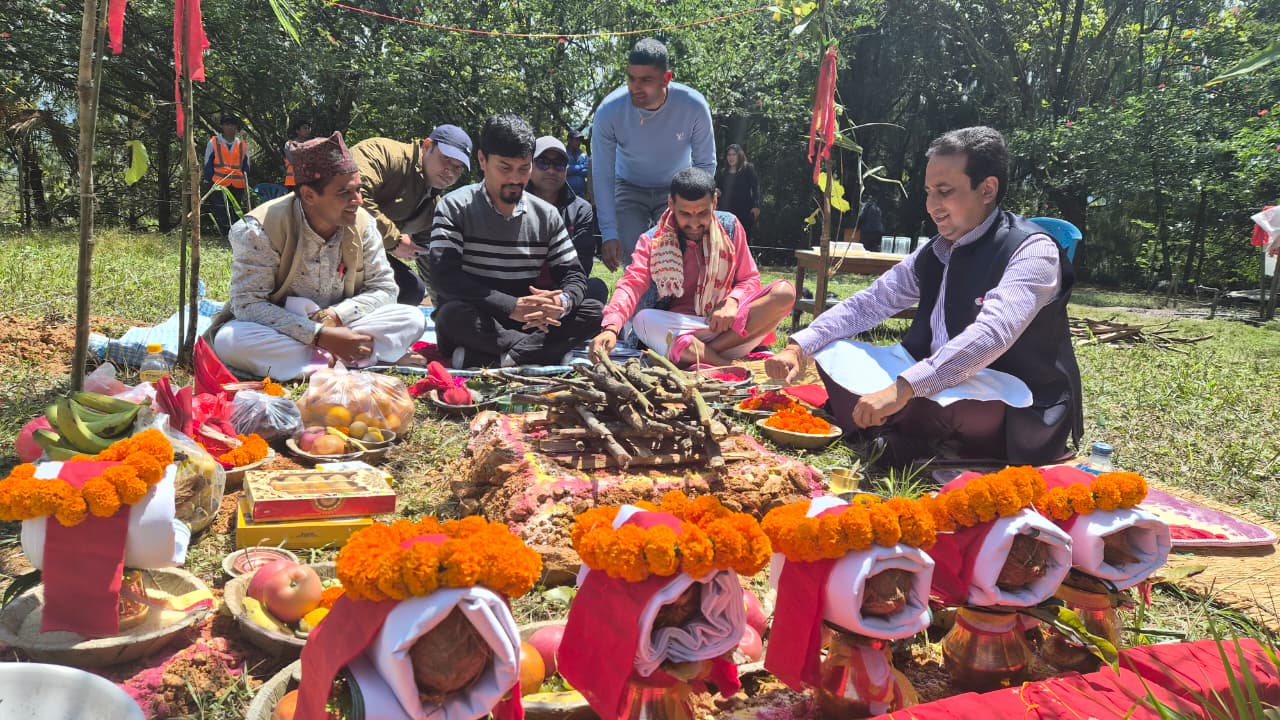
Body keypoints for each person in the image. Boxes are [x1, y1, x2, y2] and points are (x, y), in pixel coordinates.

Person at [766, 126, 1082, 467]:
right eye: (929, 192)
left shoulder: (1031, 250)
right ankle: (911, 436)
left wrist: (901, 390)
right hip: (931, 377)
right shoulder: (937, 250)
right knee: (832, 352)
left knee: (960, 408)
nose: (933, 206)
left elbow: (992, 335)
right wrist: (798, 347)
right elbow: (870, 303)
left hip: (1005, 392)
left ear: (987, 189)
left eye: (945, 192)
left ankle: (901, 433)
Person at [206, 131, 426, 380]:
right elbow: (247, 304)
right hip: (283, 328)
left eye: (358, 190)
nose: (358, 201)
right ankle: (354, 357)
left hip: (345, 323)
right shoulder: (260, 229)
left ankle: (319, 361)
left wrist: (335, 317)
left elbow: (385, 289)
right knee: (230, 340)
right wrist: (318, 334)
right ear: (309, 196)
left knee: (412, 318)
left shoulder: (363, 224)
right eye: (345, 193)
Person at [428, 114, 603, 368]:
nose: (515, 179)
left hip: (531, 319)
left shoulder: (546, 214)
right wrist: (511, 306)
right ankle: (542, 352)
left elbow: (574, 275)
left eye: (523, 169)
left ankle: (499, 357)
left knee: (594, 311)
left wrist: (561, 303)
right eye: (504, 168)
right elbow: (443, 277)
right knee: (451, 316)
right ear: (482, 160)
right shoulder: (454, 207)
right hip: (479, 315)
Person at [589, 167, 794, 367]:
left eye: (703, 213)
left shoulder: (730, 226)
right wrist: (611, 327)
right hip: (679, 329)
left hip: (726, 327)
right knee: (644, 320)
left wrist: (731, 301)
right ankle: (723, 363)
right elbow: (632, 284)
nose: (694, 223)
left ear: (714, 201)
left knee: (784, 293)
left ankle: (701, 357)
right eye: (685, 214)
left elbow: (749, 278)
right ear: (671, 204)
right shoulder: (652, 240)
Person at [591, 38, 716, 270]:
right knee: (634, 257)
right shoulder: (609, 111)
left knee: (674, 256)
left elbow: (705, 165)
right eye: (631, 78)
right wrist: (608, 232)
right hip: (628, 187)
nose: (635, 87)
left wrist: (695, 209)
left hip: (676, 189)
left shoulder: (694, 106)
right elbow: (602, 174)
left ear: (666, 78)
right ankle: (639, 294)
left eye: (646, 80)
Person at [351, 125, 473, 307]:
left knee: (411, 290)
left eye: (458, 167)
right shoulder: (382, 153)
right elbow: (354, 197)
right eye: (445, 159)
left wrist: (447, 310)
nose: (450, 171)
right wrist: (394, 240)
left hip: (363, 253)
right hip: (326, 244)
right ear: (427, 146)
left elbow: (432, 259)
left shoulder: (434, 206)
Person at [527, 135, 608, 304]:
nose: (551, 170)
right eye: (543, 162)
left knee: (596, 288)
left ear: (566, 169)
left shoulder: (581, 210)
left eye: (559, 164)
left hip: (562, 292)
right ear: (529, 165)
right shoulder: (512, 202)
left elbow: (581, 266)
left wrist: (558, 300)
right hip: (520, 290)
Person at [203, 115, 251, 238]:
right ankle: (225, 235)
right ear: (222, 126)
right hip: (219, 183)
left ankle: (236, 236)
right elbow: (208, 163)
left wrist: (245, 181)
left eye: (233, 125)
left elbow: (246, 166)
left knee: (236, 210)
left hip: (237, 184)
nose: (230, 127)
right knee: (221, 210)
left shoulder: (242, 145)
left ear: (236, 127)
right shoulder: (213, 142)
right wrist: (209, 180)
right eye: (227, 124)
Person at [715, 144, 761, 240]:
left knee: (743, 239)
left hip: (744, 211)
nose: (731, 157)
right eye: (729, 155)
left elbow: (755, 188)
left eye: (733, 154)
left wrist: (756, 205)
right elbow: (719, 189)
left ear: (739, 155)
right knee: (726, 240)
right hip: (726, 211)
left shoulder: (748, 169)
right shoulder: (723, 172)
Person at [282, 117, 312, 188]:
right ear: (297, 131)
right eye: (305, 128)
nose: (307, 130)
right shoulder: (289, 144)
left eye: (308, 128)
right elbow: (292, 161)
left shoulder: (311, 143)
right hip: (295, 178)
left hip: (311, 177)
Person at [565, 129, 590, 198]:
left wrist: (573, 170)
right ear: (569, 140)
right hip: (566, 193)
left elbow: (588, 171)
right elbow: (565, 170)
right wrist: (581, 166)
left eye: (580, 140)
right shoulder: (563, 153)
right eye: (577, 139)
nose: (579, 142)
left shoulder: (583, 155)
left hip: (581, 195)